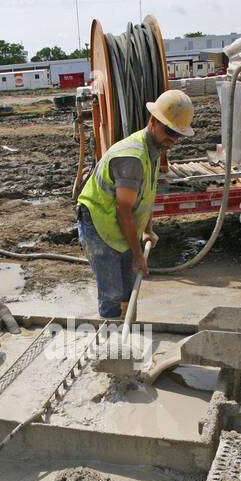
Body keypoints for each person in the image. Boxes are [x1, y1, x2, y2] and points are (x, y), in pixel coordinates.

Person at [75, 89, 194, 318]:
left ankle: (126, 328)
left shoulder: (155, 148)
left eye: (178, 134)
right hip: (99, 223)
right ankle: (112, 340)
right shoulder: (133, 157)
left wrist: (147, 231)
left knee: (128, 287)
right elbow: (124, 212)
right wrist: (139, 256)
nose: (172, 139)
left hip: (116, 221)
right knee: (112, 291)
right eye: (169, 131)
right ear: (153, 122)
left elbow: (146, 195)